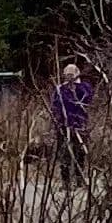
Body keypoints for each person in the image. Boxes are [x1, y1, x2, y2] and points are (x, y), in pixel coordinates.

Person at [48, 54, 94, 184]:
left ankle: (80, 179)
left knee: (80, 152)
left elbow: (87, 99)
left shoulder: (83, 87)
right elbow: (55, 105)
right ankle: (66, 181)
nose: (69, 77)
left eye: (71, 74)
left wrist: (76, 89)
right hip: (63, 125)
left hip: (80, 124)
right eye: (67, 74)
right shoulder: (60, 89)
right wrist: (57, 120)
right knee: (64, 153)